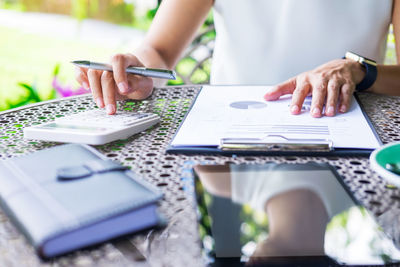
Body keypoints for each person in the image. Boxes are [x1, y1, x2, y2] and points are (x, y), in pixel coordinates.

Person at [75, 0, 400, 116]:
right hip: (229, 134)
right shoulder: (220, 193)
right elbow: (158, 51)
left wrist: (359, 70)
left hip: (347, 131)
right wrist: (137, 68)